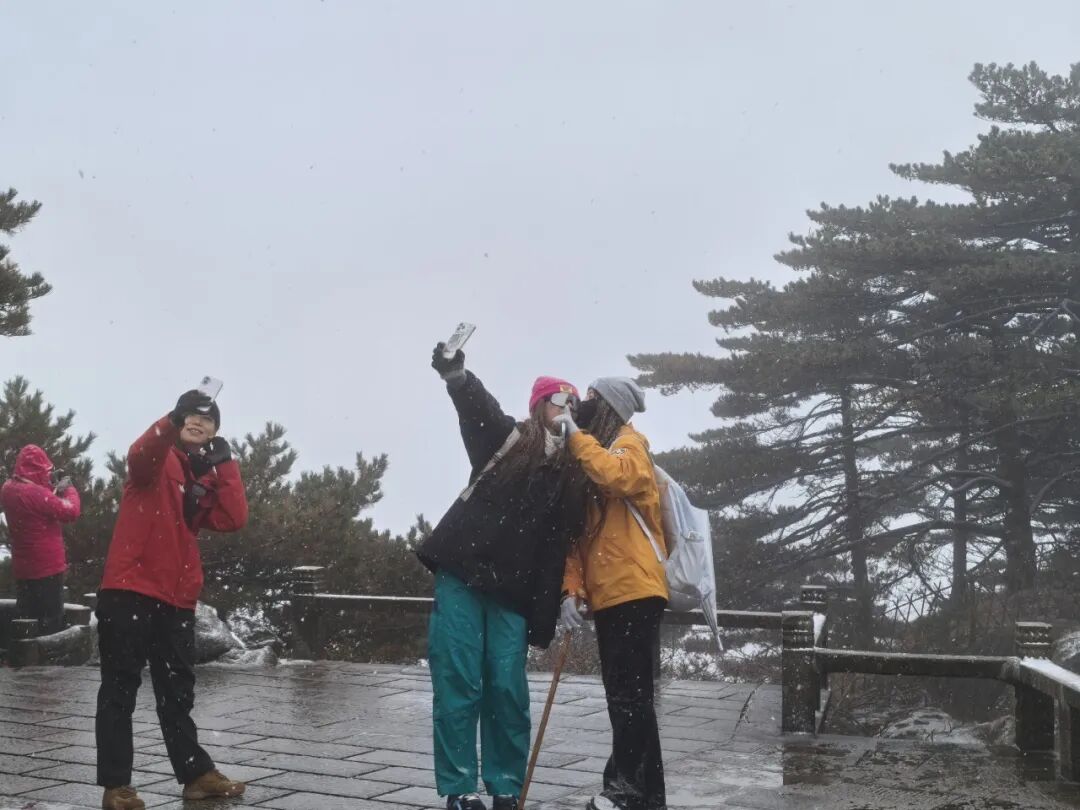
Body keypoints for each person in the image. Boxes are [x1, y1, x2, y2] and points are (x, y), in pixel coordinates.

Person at [417, 344, 589, 810]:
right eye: (560, 401)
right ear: (538, 406)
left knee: (507, 688)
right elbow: (479, 410)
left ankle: (506, 786)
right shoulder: (508, 440)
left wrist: (569, 592)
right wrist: (458, 377)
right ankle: (460, 788)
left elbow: (570, 541)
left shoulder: (574, 471)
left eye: (575, 404)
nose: (568, 410)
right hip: (463, 573)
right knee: (459, 681)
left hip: (514, 592)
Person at [95, 390, 249, 810]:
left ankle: (196, 776)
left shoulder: (202, 476)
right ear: (179, 420)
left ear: (215, 432)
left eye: (208, 419)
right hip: (130, 589)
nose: (199, 423)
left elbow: (233, 518)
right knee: (120, 688)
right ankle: (116, 787)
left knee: (177, 692)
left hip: (177, 598)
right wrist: (168, 421)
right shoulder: (157, 458)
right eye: (191, 416)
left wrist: (225, 465)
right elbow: (139, 455)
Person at [554, 377, 668, 810]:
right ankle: (645, 794)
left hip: (634, 588)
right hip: (611, 594)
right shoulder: (595, 455)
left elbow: (616, 476)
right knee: (628, 695)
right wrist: (571, 591)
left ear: (609, 407)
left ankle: (625, 790)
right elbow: (579, 539)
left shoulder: (629, 444)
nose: (583, 406)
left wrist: (575, 435)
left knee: (629, 695)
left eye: (591, 399)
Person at [1, 445, 81, 634]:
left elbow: (36, 503)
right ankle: (48, 651)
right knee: (50, 623)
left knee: (27, 620)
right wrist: (69, 489)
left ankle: (26, 647)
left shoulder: (8, 489)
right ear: (37, 470)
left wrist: (51, 486)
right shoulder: (36, 495)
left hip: (24, 569)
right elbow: (71, 511)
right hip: (47, 569)